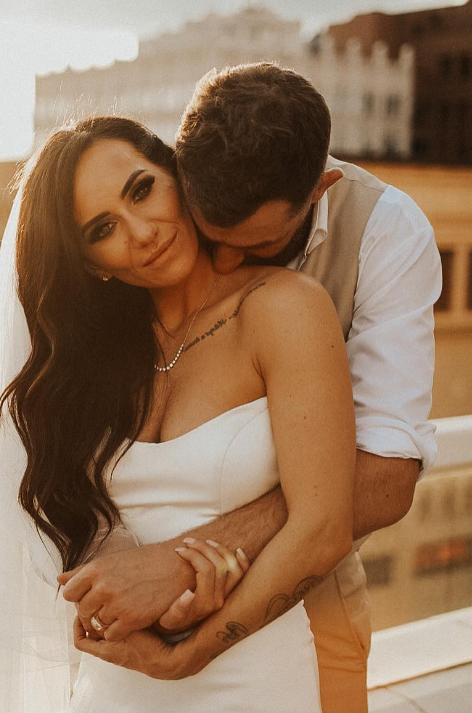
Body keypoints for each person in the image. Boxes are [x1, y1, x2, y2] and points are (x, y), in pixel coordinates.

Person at [56, 63, 441, 713]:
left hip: (310, 606)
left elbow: (385, 476)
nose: (226, 266)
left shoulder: (384, 232)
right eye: (212, 238)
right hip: (123, 629)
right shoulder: (148, 216)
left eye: (261, 244)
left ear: (319, 189)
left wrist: (188, 558)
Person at [0, 114, 356, 712]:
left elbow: (323, 527)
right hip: (116, 680)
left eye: (141, 189)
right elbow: (60, 520)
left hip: (253, 682)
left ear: (176, 174)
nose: (141, 232)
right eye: (102, 228)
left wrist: (192, 647)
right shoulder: (85, 366)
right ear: (92, 262)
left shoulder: (284, 307)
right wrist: (144, 606)